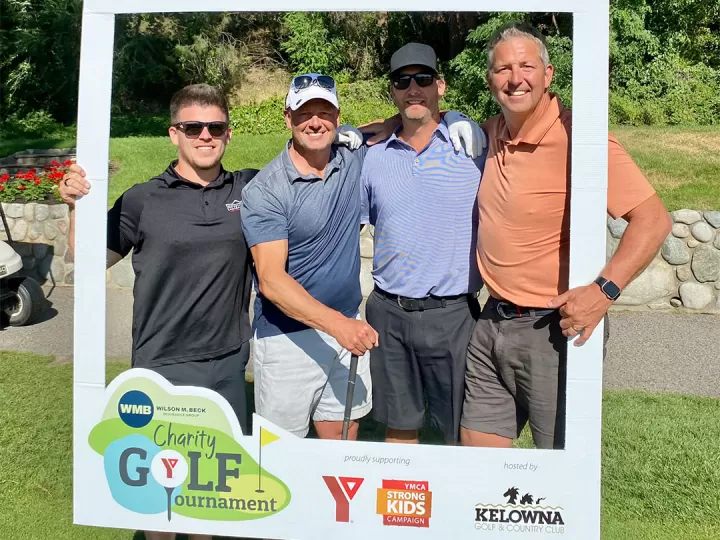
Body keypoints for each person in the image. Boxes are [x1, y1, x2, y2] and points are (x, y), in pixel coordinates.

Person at [459, 22, 672, 450]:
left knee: (558, 476)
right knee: (478, 474)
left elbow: (653, 219)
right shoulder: (490, 134)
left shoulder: (582, 140)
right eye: (503, 69)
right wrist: (384, 125)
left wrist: (603, 290)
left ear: (549, 74)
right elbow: (419, 122)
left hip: (554, 330)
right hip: (490, 322)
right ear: (490, 80)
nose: (515, 78)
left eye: (526, 66)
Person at [240, 72, 483, 441]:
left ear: (338, 119)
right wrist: (339, 326)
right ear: (287, 117)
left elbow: (409, 118)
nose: (315, 122)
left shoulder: (352, 156)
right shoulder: (266, 190)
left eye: (325, 112)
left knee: (341, 444)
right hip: (288, 337)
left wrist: (453, 117)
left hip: (344, 330)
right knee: (279, 455)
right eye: (305, 113)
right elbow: (272, 282)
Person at [360, 43, 487, 445]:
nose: (413, 88)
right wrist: (356, 132)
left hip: (452, 315)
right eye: (402, 81)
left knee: (461, 429)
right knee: (399, 427)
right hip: (389, 313)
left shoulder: (473, 146)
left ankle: (462, 505)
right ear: (393, 91)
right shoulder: (372, 155)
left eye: (423, 79)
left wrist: (458, 118)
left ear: (441, 86)